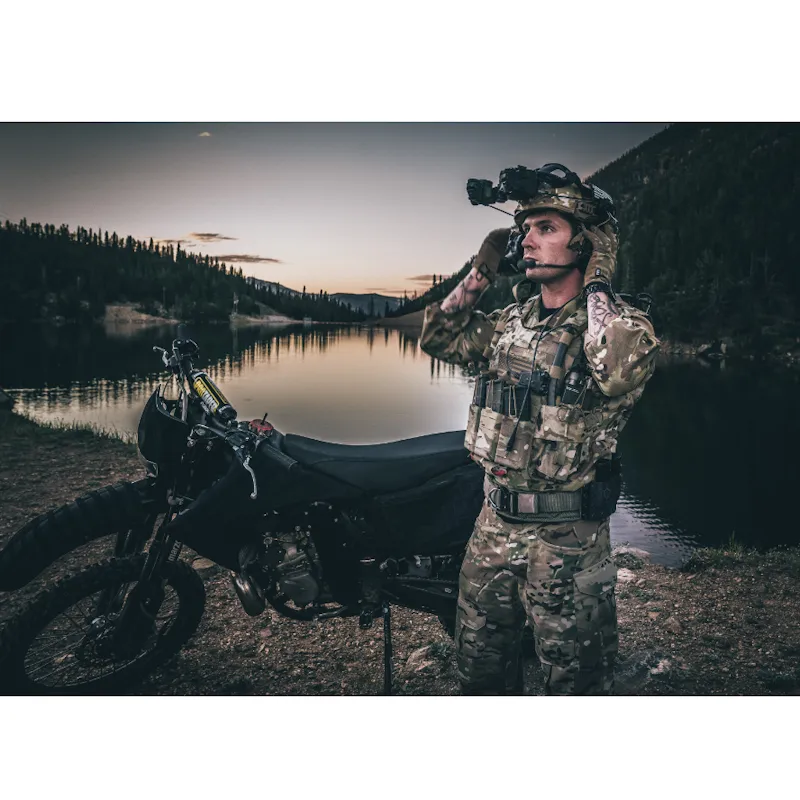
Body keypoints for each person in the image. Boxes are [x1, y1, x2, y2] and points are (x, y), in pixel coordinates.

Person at [420, 164, 660, 695]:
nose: (526, 239)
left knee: (575, 686)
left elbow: (614, 368)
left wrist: (598, 279)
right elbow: (439, 336)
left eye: (545, 228)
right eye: (523, 228)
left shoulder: (623, 329)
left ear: (586, 245)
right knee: (479, 674)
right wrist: (483, 266)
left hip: (568, 542)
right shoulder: (511, 322)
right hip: (491, 529)